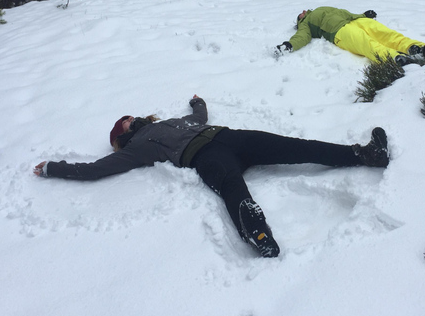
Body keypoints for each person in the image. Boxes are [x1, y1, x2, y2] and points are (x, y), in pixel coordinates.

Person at [34, 96, 389, 258]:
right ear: (121, 135)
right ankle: (259, 235)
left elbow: (198, 120)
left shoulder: (166, 123)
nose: (131, 118)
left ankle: (364, 154)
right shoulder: (137, 147)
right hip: (206, 156)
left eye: (129, 116)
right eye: (125, 122)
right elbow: (97, 170)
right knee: (233, 188)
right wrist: (55, 168)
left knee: (295, 146)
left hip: (229, 136)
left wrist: (197, 104)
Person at [275, 6, 425, 65]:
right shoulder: (305, 24)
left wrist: (362, 14)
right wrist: (289, 45)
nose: (303, 12)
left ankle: (419, 49)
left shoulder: (318, 9)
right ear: (300, 19)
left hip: (354, 20)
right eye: (300, 14)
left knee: (384, 33)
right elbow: (302, 37)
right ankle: (396, 60)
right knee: (367, 44)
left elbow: (342, 12)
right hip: (338, 32)